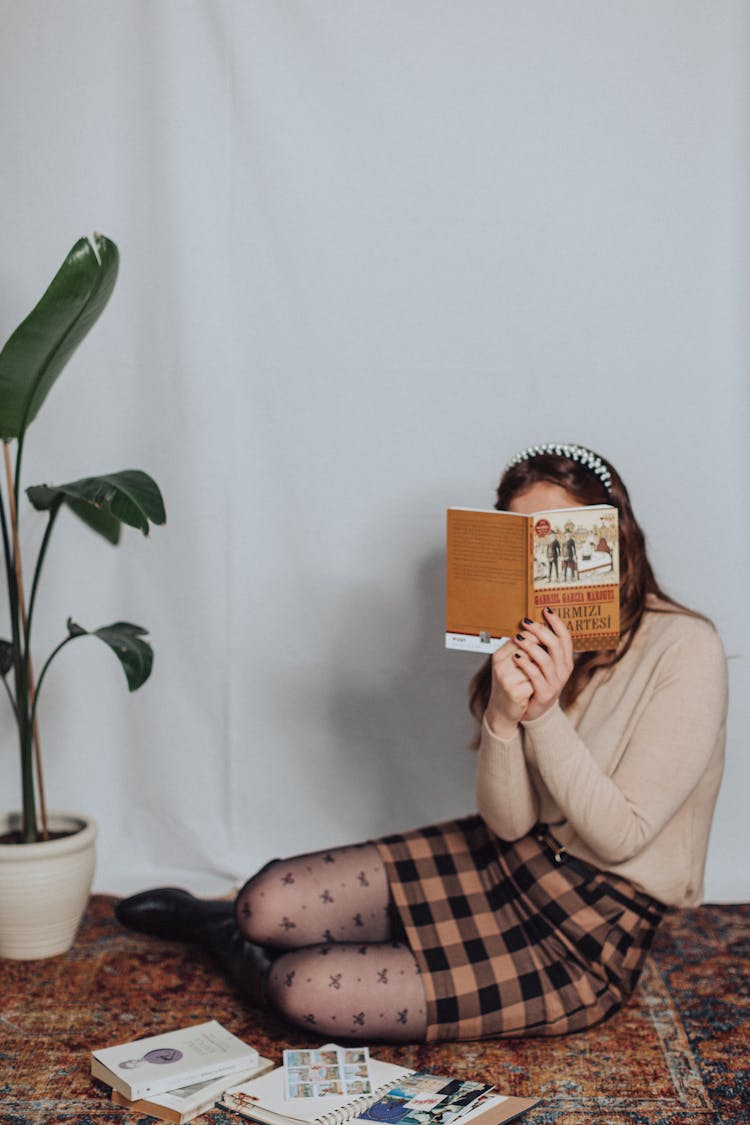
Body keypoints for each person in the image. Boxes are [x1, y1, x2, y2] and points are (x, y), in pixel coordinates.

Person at [115, 442, 728, 1044]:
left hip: (589, 928)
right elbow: (509, 824)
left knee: (300, 989)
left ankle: (250, 948)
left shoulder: (685, 647)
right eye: (526, 543)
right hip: (508, 858)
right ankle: (227, 926)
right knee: (262, 906)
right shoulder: (527, 640)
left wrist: (542, 716)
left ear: (613, 536)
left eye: (561, 536)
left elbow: (621, 835)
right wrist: (504, 714)